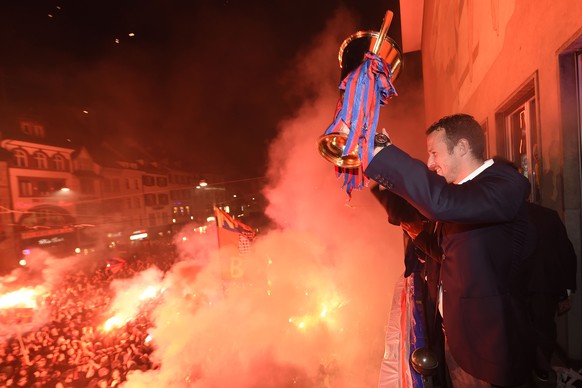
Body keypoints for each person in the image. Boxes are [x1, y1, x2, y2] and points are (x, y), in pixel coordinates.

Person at [365, 114, 536, 387]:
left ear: (462, 147)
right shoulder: (460, 192)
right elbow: (446, 252)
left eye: (434, 153)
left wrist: (385, 156)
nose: (431, 164)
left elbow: (441, 204)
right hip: (458, 339)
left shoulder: (505, 184)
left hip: (488, 346)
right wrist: (416, 232)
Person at [525, 202, 578, 382]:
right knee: (543, 328)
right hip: (544, 284)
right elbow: (566, 252)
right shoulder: (548, 215)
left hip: (516, 286)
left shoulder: (499, 214)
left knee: (524, 328)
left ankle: (530, 367)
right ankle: (541, 369)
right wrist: (566, 290)